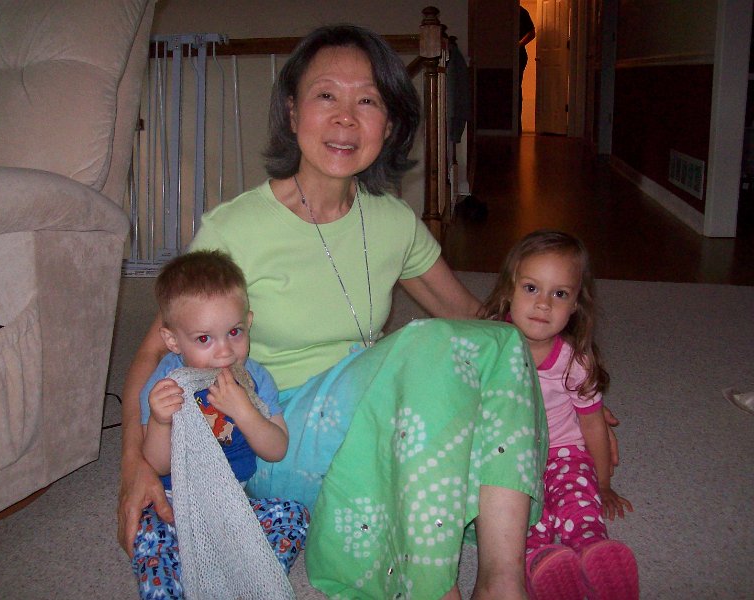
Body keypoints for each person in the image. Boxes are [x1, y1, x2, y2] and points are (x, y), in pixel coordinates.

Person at [117, 24, 617, 600]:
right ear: (292, 111)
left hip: (372, 422)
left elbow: (479, 322)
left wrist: (553, 386)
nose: (345, 118)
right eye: (326, 95)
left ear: (390, 124)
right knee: (426, 347)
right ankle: (431, 586)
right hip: (273, 436)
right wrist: (134, 464)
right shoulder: (234, 229)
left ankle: (502, 583)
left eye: (368, 101)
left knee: (494, 348)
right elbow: (156, 351)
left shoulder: (392, 221)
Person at [132, 250, 310, 598]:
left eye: (234, 332)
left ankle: (246, 580)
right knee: (149, 539)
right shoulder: (165, 386)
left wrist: (244, 411)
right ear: (172, 341)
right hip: (174, 503)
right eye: (204, 339)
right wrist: (160, 421)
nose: (225, 352)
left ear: (249, 321)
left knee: (293, 516)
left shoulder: (254, 379)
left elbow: (277, 449)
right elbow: (156, 464)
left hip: (233, 504)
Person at [482, 230, 639, 600]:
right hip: (511, 457)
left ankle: (594, 551)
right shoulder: (489, 348)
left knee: (578, 500)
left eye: (560, 294)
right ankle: (542, 562)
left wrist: (602, 483)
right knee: (519, 519)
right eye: (531, 288)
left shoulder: (575, 363)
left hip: (565, 451)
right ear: (509, 291)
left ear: (575, 306)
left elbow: (593, 424)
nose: (543, 304)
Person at [518, 6, 536, 128]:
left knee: (516, 87)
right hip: (517, 54)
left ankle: (516, 124)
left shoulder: (520, 11)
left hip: (519, 55)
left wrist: (519, 44)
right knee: (516, 87)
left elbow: (531, 32)